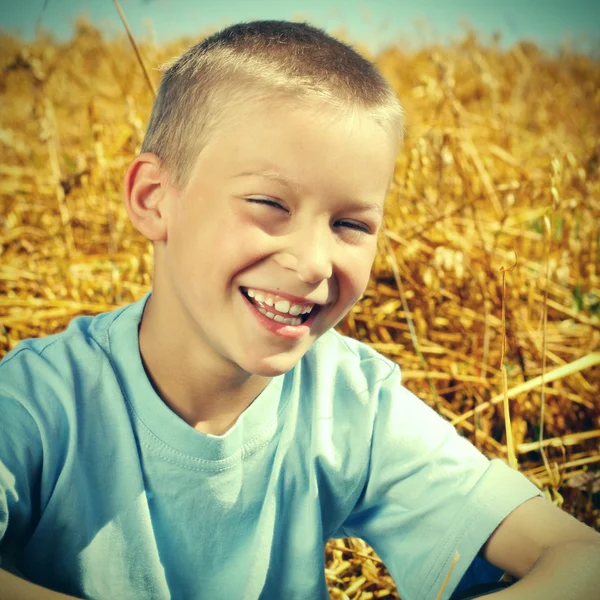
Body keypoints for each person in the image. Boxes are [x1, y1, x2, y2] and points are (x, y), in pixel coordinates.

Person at [0, 20, 598, 600]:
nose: (314, 262)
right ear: (154, 200)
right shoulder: (39, 401)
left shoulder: (349, 403)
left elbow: (581, 560)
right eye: (268, 203)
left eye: (350, 223)